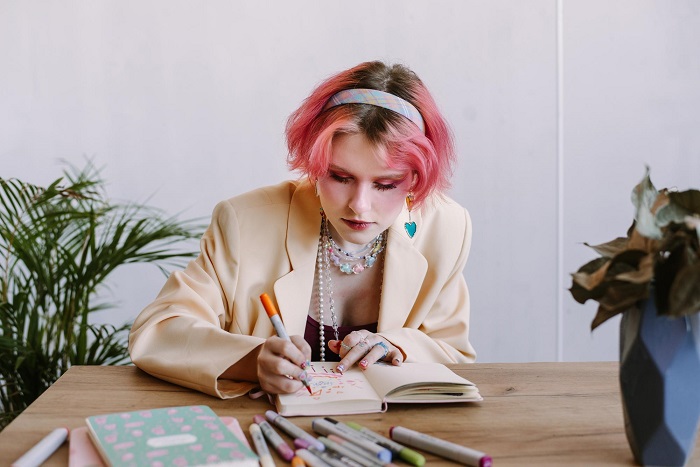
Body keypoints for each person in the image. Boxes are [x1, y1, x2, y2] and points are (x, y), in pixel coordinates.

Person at [129, 60, 476, 400]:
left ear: (417, 178)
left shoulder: (446, 228)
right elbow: (158, 331)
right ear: (315, 164)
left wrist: (400, 345)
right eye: (340, 177)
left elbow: (455, 355)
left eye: (386, 184)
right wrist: (252, 360)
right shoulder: (245, 221)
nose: (360, 205)